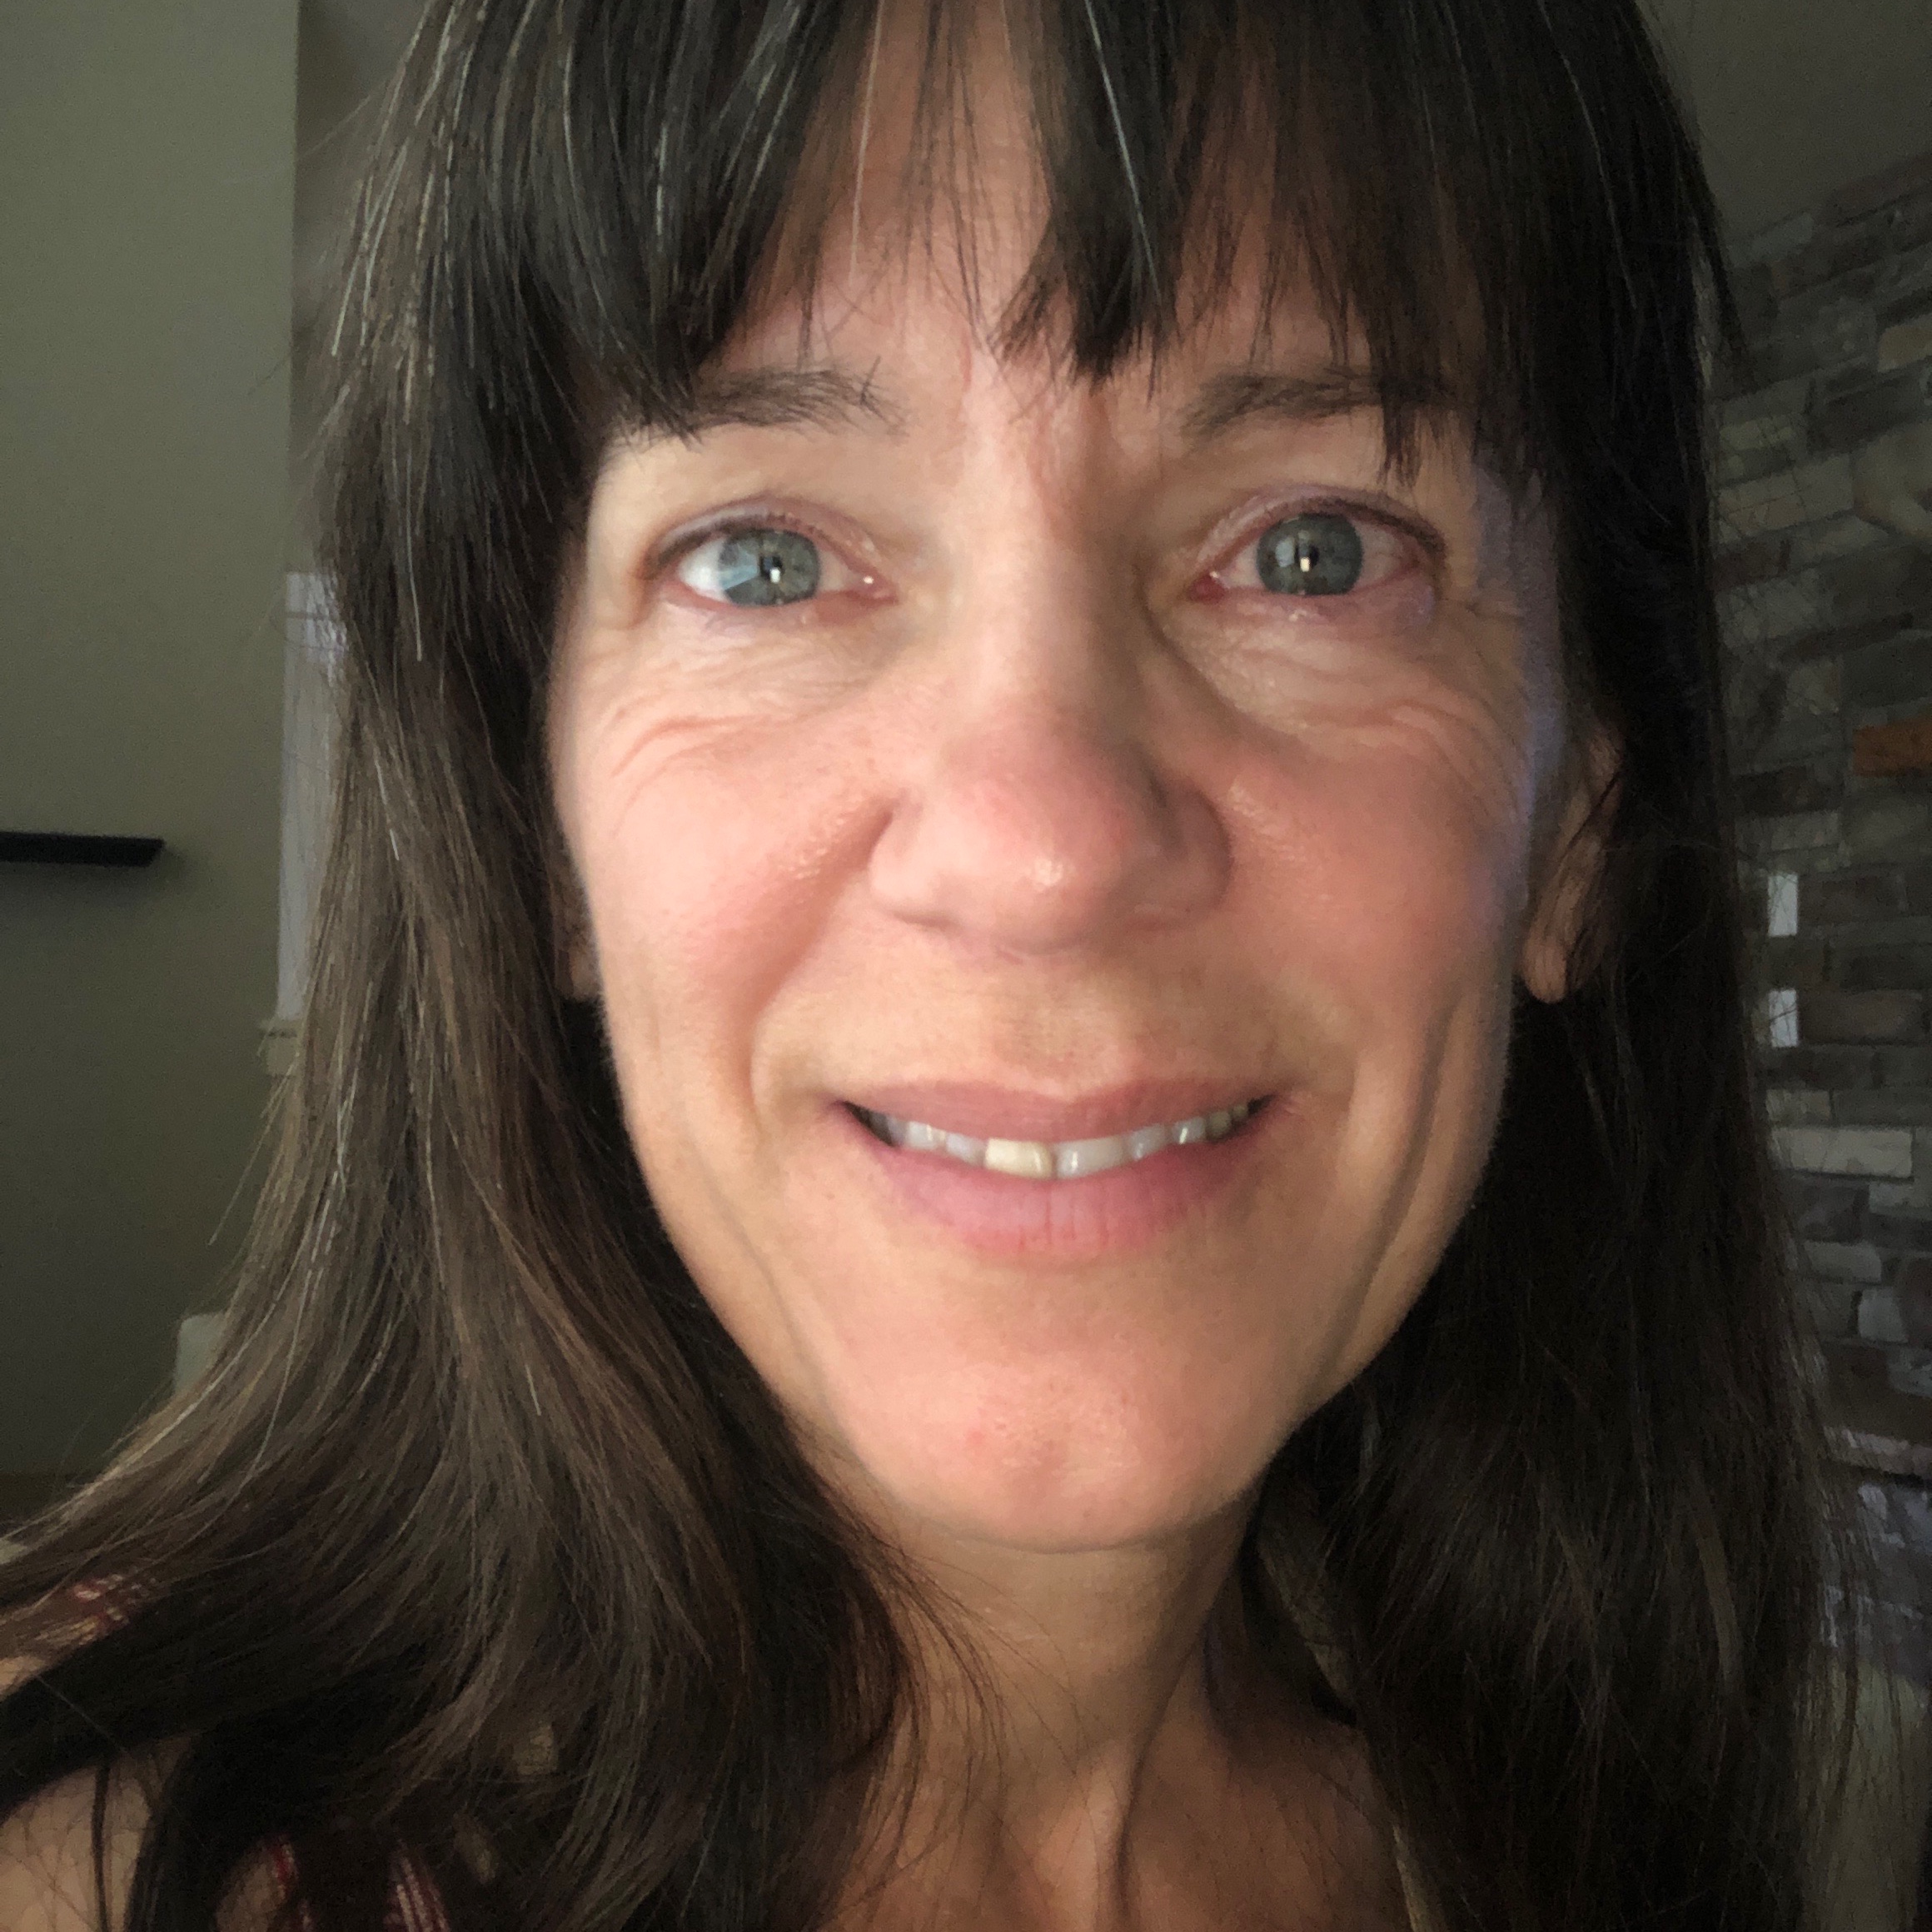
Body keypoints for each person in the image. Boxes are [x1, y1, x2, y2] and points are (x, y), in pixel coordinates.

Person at [0, 0, 1902, 1926]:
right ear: (540, 830)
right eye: (761, 559)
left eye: (1313, 552)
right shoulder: (94, 1865)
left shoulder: (1590, 1811)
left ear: (1579, 813)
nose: (1041, 846)